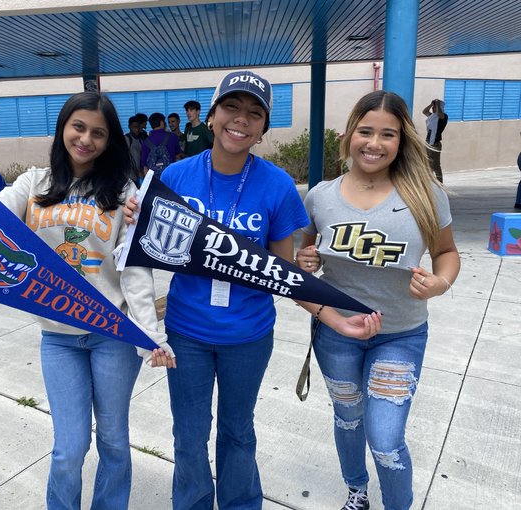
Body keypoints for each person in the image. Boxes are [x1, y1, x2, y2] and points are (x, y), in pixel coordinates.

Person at [0, 92, 176, 510]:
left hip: (112, 337)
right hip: (58, 338)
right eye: (78, 127)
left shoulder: (123, 192)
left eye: (98, 133)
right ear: (63, 127)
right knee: (69, 448)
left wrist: (149, 336)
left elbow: (133, 270)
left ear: (110, 141)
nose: (86, 139)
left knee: (114, 441)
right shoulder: (32, 184)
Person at [125, 70, 381, 510]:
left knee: (238, 432)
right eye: (231, 108)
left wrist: (335, 315)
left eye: (254, 113)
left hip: (248, 336)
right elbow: (138, 244)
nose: (240, 120)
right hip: (186, 333)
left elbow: (282, 273)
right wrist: (131, 214)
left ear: (263, 128)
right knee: (188, 435)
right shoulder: (177, 178)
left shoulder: (277, 185)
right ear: (211, 115)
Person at [296, 90, 460, 510]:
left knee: (386, 439)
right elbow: (308, 257)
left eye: (387, 134)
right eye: (365, 131)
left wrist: (440, 283)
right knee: (348, 419)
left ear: (401, 141)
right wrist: (307, 258)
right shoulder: (320, 196)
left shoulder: (426, 195)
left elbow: (446, 253)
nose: (374, 143)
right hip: (337, 334)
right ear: (349, 133)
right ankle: (356, 489)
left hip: (400, 336)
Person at [141, 112, 181, 178]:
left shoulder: (145, 142)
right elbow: (178, 157)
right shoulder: (172, 137)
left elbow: (145, 167)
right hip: (171, 177)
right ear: (162, 122)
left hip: (155, 180)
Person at [422, 99, 448, 183]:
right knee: (428, 165)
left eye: (434, 107)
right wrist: (431, 104)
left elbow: (440, 115)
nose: (433, 108)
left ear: (439, 108)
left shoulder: (443, 117)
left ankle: (440, 183)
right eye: (433, 107)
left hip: (435, 144)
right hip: (428, 143)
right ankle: (430, 183)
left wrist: (438, 104)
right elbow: (424, 111)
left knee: (436, 165)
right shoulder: (432, 117)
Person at [125, 115, 144, 179]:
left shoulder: (141, 141)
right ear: (129, 127)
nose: (137, 129)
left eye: (138, 127)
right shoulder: (127, 139)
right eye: (134, 127)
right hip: (128, 177)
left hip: (138, 177)